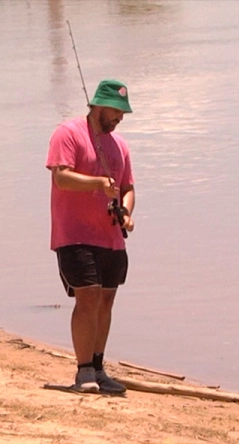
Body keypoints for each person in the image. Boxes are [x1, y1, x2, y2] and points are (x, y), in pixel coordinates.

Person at [46, 79, 136, 394]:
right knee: (88, 296)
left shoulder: (120, 144)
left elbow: (128, 188)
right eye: (116, 111)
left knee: (106, 299)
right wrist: (98, 183)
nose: (120, 117)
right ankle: (83, 371)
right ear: (98, 104)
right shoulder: (68, 133)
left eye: (123, 112)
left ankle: (99, 368)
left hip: (111, 235)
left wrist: (126, 211)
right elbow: (62, 177)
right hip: (74, 234)